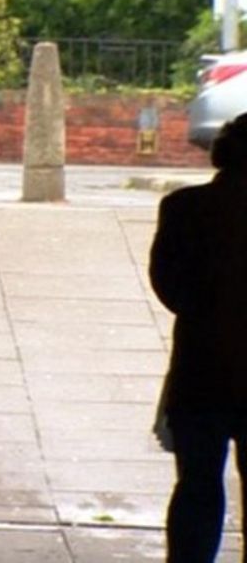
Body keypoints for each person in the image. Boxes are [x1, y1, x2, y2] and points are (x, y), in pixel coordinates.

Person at [149, 113, 247, 563]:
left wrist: (204, 313)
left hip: (201, 368)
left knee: (197, 485)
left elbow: (167, 283)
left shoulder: (183, 207)